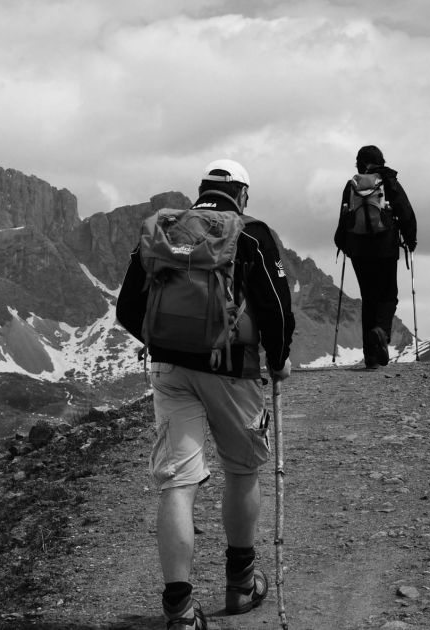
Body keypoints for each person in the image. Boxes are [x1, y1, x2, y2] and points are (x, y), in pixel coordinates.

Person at [116, 159, 295, 630]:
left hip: (171, 370)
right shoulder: (250, 233)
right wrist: (277, 360)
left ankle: (179, 609)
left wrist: (165, 342)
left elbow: (127, 308)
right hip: (232, 371)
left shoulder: (165, 231)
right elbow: (276, 307)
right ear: (243, 195)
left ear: (201, 192)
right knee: (242, 468)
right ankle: (240, 582)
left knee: (177, 482)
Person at [332, 145, 417, 370]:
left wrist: (344, 245)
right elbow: (405, 212)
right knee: (389, 294)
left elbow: (344, 219)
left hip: (359, 250)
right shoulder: (388, 181)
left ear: (359, 163)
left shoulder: (351, 185)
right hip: (385, 247)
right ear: (380, 160)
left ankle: (370, 357)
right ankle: (381, 331)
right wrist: (411, 240)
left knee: (368, 298)